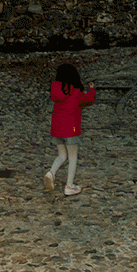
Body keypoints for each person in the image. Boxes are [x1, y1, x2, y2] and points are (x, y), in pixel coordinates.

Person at [44, 62, 96, 196]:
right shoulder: (77, 93)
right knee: (73, 157)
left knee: (62, 156)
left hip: (57, 129)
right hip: (71, 129)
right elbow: (89, 100)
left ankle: (51, 173)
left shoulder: (56, 90)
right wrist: (91, 89)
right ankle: (69, 186)